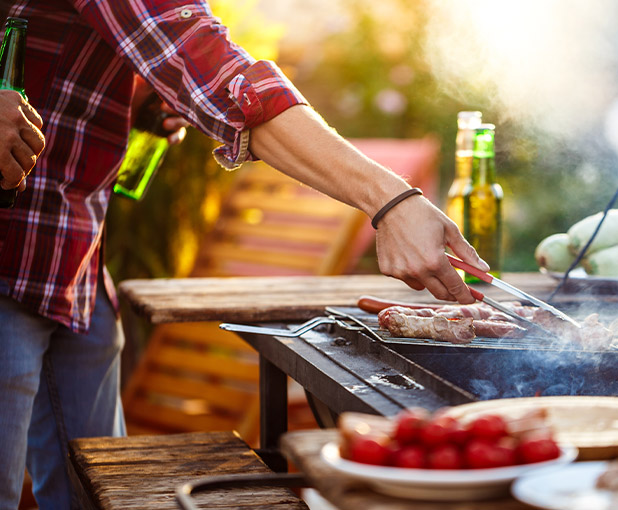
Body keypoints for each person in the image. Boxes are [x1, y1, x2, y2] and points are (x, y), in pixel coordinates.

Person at [0, 1, 488, 508]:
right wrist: (391, 201)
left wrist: (139, 95)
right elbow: (215, 71)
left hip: (71, 252)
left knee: (98, 492)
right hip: (10, 246)